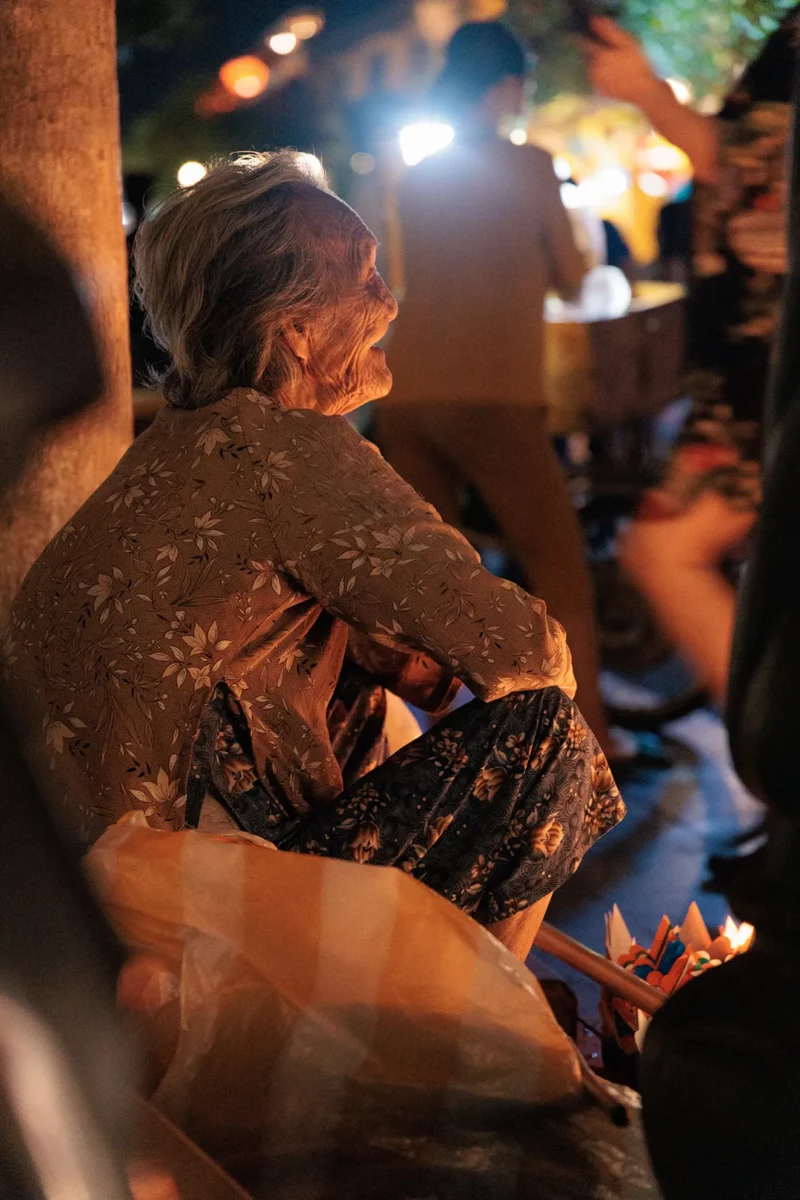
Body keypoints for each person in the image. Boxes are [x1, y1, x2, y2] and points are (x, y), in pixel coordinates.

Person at [5, 152, 624, 961]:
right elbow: (528, 653)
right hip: (193, 920)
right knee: (548, 739)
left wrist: (379, 646)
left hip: (94, 911)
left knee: (366, 681)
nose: (388, 300)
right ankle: (463, 1040)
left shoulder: (179, 447)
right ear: (292, 329)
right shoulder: (285, 446)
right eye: (365, 276)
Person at [373, 22, 624, 762]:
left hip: (409, 391)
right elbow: (578, 280)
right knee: (557, 566)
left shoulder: (418, 175)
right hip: (494, 394)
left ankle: (442, 752)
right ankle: (593, 748)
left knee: (433, 587)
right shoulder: (533, 167)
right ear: (507, 88)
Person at [584, 11, 797, 704]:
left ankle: (780, 761)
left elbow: (750, 166)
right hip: (757, 361)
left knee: (663, 548)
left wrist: (649, 94)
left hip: (768, 367)